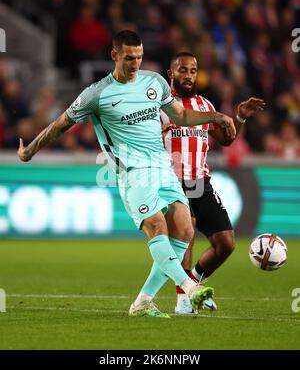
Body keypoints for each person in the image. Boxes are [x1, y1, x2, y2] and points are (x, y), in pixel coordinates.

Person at [18, 31, 236, 318]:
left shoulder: (154, 82)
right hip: (133, 173)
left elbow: (181, 115)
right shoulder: (96, 94)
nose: (136, 64)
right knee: (157, 227)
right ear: (115, 56)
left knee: (183, 229)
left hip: (162, 167)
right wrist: (29, 151)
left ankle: (143, 302)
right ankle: (190, 288)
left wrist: (216, 116)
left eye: (140, 57)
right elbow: (60, 125)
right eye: (130, 58)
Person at [135, 52, 265, 314]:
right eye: (183, 70)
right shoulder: (158, 107)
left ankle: (193, 283)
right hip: (171, 183)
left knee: (226, 243)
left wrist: (238, 118)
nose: (188, 76)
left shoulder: (205, 106)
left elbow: (226, 140)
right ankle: (184, 300)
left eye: (193, 71)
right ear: (171, 74)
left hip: (201, 182)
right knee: (188, 229)